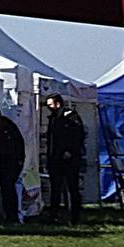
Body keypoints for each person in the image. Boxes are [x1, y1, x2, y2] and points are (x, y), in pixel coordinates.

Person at [43, 94, 86, 224]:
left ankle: (74, 216)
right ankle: (54, 215)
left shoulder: (71, 116)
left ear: (58, 104)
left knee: (72, 188)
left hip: (69, 159)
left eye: (50, 105)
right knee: (55, 188)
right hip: (55, 158)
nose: (49, 107)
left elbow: (78, 135)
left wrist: (70, 151)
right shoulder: (53, 118)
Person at [0, 110, 26, 225]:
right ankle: (9, 214)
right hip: (5, 161)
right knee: (6, 188)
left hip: (11, 161)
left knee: (9, 188)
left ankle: (12, 215)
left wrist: (19, 159)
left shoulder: (7, 127)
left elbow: (17, 144)